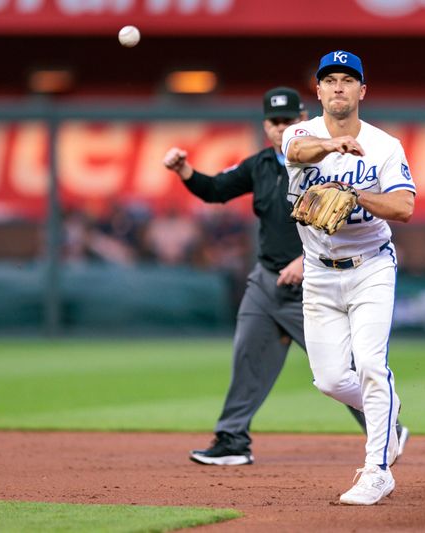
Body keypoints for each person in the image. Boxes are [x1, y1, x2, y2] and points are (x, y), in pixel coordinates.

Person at [163, 86, 408, 466]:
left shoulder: (330, 160)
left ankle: (387, 423)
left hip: (315, 277)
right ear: (265, 126)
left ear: (302, 121)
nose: (281, 128)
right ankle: (232, 439)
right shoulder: (260, 165)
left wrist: (303, 259)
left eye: (288, 121)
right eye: (274, 122)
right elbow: (214, 189)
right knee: (248, 357)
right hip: (267, 281)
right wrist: (185, 171)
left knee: (341, 374)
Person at [282, 50, 416, 505]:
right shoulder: (300, 134)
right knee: (331, 380)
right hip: (319, 274)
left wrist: (356, 193)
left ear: (362, 90)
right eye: (330, 79)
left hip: (371, 267)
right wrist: (331, 146)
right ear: (317, 90)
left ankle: (377, 470)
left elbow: (404, 207)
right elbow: (297, 152)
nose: (338, 86)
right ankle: (388, 408)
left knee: (372, 367)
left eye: (347, 79)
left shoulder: (385, 145)